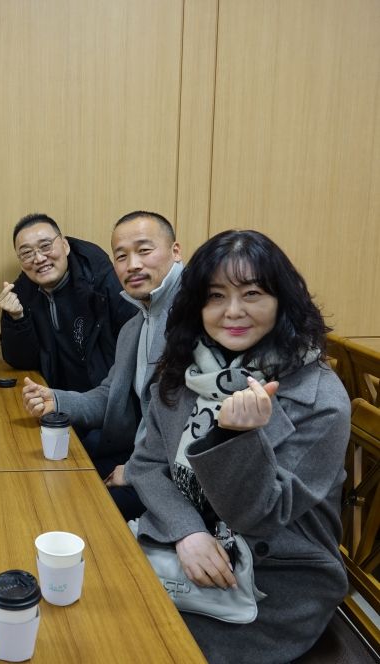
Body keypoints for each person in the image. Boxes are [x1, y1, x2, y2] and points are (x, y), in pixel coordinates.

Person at [126, 230, 349, 663]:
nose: (232, 311)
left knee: (139, 643)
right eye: (216, 296)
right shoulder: (185, 371)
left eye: (252, 294)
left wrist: (236, 438)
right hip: (179, 552)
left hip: (274, 583)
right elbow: (146, 465)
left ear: (282, 302)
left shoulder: (320, 399)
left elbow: (258, 516)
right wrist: (187, 531)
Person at [21, 211, 182, 520]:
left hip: (174, 478)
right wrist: (57, 400)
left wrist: (133, 471)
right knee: (45, 483)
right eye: (121, 256)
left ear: (175, 251)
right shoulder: (136, 324)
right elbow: (111, 393)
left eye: (144, 250)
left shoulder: (196, 316)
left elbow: (189, 428)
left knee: (71, 509)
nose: (133, 264)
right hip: (139, 455)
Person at [0, 213, 136, 396]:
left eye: (45, 246)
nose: (39, 258)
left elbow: (134, 349)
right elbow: (22, 362)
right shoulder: (23, 294)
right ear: (21, 263)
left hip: (106, 398)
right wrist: (17, 319)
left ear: (65, 246)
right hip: (54, 400)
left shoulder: (101, 281)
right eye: (27, 253)